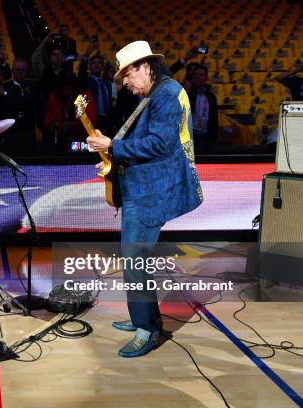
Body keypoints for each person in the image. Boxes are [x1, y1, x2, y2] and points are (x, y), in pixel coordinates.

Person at [86, 41, 203, 358]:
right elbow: (143, 142)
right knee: (134, 261)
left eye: (126, 75)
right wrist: (113, 158)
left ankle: (148, 331)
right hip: (142, 187)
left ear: (144, 66)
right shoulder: (157, 93)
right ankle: (145, 318)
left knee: (136, 261)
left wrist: (113, 146)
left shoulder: (167, 93)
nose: (124, 82)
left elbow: (160, 145)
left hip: (152, 191)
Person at [188, 64, 218, 150]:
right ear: (192, 77)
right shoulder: (185, 94)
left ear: (206, 78)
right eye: (195, 74)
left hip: (204, 136)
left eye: (201, 75)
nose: (198, 77)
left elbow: (214, 119)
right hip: (188, 136)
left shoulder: (211, 97)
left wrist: (213, 138)